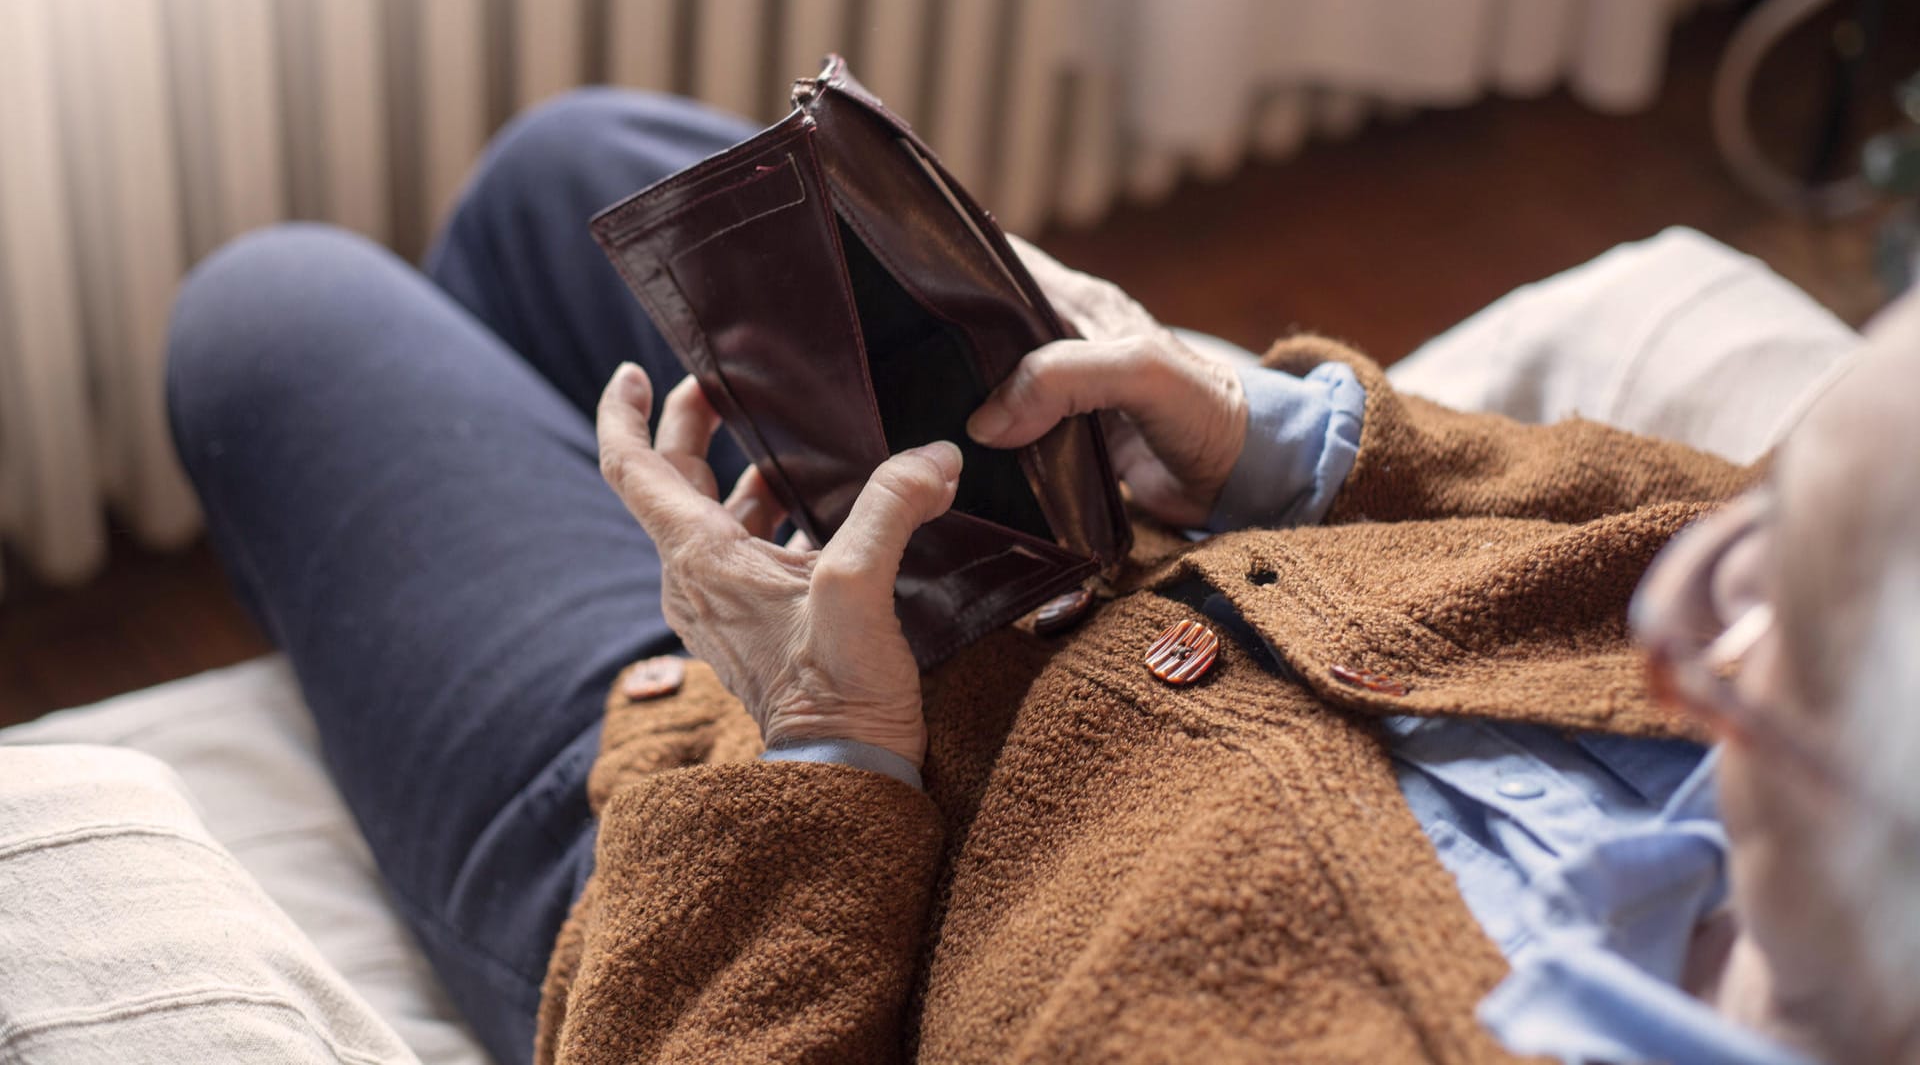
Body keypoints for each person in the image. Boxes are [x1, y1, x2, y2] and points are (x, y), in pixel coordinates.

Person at [164, 88, 1918, 1064]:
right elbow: (1655, 511)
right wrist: (1263, 438)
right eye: (1751, 537)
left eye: (1768, 634)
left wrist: (821, 737)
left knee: (273, 315)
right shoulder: (1823, 653)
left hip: (740, 851)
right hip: (1067, 551)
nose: (1677, 603)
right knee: (581, 175)